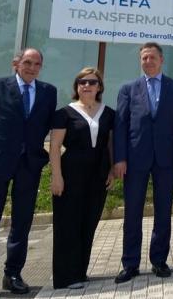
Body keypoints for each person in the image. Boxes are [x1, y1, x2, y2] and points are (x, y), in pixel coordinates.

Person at [0, 48, 57, 299]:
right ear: (16, 63)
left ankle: (13, 274)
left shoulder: (48, 92)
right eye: (27, 62)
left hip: (28, 165)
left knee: (22, 222)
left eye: (37, 64)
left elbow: (43, 125)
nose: (32, 68)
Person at [113, 42, 173, 283]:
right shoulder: (128, 89)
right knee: (133, 212)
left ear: (161, 59)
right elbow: (120, 126)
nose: (148, 61)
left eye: (152, 57)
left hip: (166, 159)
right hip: (135, 159)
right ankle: (130, 263)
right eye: (144, 58)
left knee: (163, 211)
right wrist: (120, 158)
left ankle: (159, 260)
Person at [49, 67, 115, 289]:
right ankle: (65, 277)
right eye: (82, 82)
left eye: (92, 82)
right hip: (71, 173)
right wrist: (56, 176)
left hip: (98, 173)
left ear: (99, 87)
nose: (87, 85)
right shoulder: (64, 113)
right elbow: (55, 147)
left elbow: (109, 144)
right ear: (77, 87)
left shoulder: (108, 113)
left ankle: (80, 271)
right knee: (68, 223)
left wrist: (111, 170)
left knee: (89, 223)